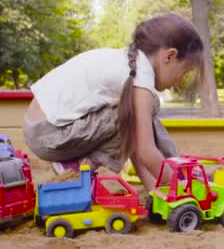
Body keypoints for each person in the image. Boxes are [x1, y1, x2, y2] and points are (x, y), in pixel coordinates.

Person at [22, 13, 203, 191]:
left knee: (138, 115)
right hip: (49, 135)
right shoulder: (141, 77)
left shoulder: (131, 63)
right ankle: (80, 167)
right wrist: (178, 190)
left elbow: (138, 148)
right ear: (170, 56)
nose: (180, 81)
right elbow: (146, 152)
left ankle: (82, 164)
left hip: (44, 129)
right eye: (185, 72)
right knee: (144, 108)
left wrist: (153, 190)